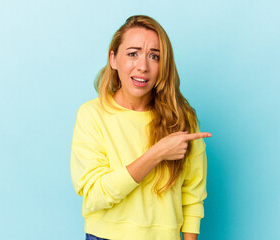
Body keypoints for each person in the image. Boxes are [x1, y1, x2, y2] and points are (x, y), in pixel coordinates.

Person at [71, 15, 212, 240]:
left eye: (154, 56)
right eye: (132, 54)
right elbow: (96, 194)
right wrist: (157, 153)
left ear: (163, 65)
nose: (143, 66)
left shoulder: (182, 118)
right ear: (114, 59)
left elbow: (193, 194)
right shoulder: (92, 114)